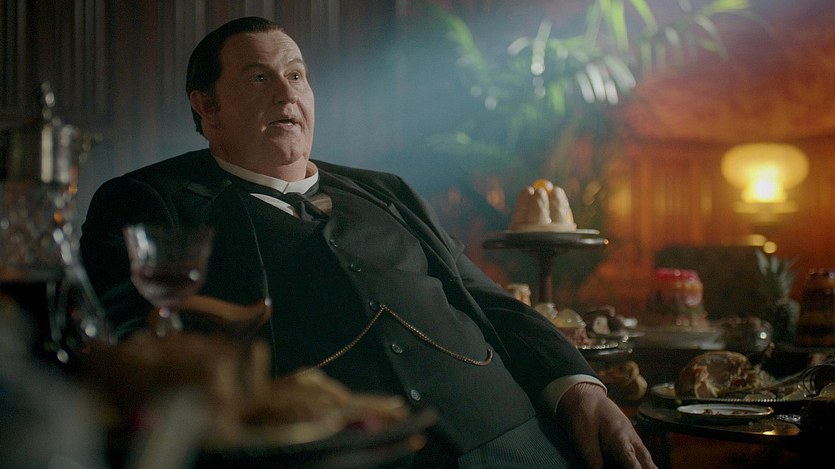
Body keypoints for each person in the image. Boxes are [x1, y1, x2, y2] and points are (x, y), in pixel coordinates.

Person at [80, 16, 656, 469]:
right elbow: (126, 342)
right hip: (341, 454)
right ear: (207, 107)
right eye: (258, 78)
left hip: (509, 435)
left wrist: (580, 389)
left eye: (296, 75)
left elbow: (493, 302)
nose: (286, 93)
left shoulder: (388, 191)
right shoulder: (149, 200)